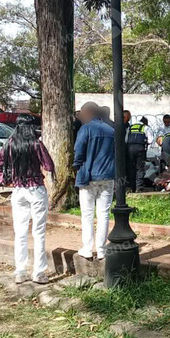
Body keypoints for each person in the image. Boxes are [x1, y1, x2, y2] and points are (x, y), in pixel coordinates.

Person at [0, 114, 56, 284]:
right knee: (38, 232)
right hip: (36, 190)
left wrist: (6, 180)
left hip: (18, 191)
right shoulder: (36, 144)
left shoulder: (10, 144)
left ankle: (20, 271)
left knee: (20, 232)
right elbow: (49, 165)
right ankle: (39, 273)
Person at [74, 102, 115, 260]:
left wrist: (76, 166)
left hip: (88, 177)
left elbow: (79, 150)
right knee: (104, 214)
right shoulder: (111, 130)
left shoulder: (86, 129)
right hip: (108, 177)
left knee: (87, 214)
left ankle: (87, 248)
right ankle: (102, 249)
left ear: (88, 112)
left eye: (82, 113)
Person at [126, 116, 153, 192]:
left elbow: (126, 139)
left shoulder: (131, 127)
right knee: (140, 168)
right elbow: (150, 140)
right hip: (140, 149)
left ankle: (132, 187)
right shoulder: (145, 127)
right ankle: (139, 187)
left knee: (131, 168)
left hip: (130, 149)